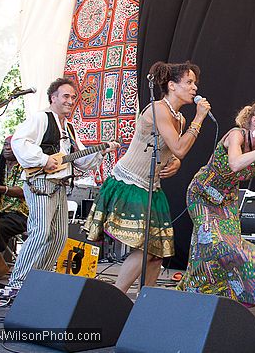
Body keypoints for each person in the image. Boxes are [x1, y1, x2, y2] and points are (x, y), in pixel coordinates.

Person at [85, 61, 211, 294]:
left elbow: (174, 151)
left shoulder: (180, 118)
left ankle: (146, 303)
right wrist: (200, 118)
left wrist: (176, 162)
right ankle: (115, 297)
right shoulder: (158, 109)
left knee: (157, 253)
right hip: (129, 183)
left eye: (195, 83)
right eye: (189, 82)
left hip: (152, 186)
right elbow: (180, 147)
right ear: (172, 85)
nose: (194, 88)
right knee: (146, 248)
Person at [177, 99, 255, 306]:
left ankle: (195, 296)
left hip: (227, 201)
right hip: (202, 193)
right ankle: (194, 294)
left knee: (222, 249)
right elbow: (236, 164)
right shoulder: (237, 134)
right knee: (214, 242)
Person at [9, 77, 119, 291]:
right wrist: (43, 160)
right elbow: (19, 141)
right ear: (53, 98)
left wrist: (100, 151)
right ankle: (18, 282)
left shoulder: (69, 128)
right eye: (66, 96)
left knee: (59, 237)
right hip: (40, 182)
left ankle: (37, 281)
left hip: (59, 185)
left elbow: (79, 160)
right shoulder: (41, 118)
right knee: (40, 232)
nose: (70, 100)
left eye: (73, 97)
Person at [0, 136, 28, 279]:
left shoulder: (26, 167)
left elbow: (22, 191)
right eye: (5, 144)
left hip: (20, 214)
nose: (7, 147)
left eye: (11, 145)